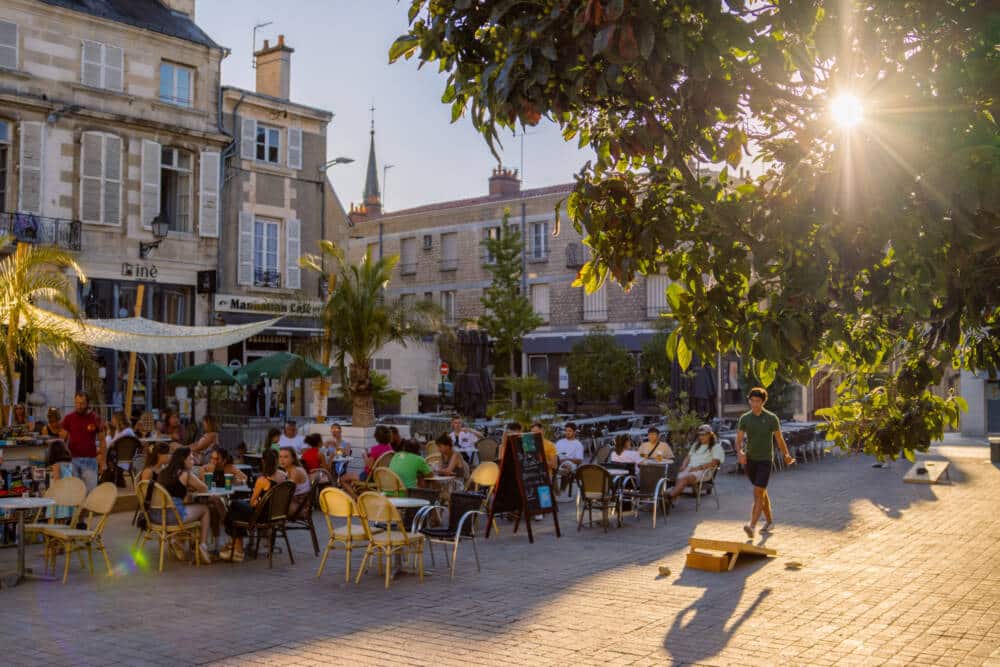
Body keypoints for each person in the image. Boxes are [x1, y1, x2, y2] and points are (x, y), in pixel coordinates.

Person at [735, 387, 795, 538]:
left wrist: (786, 454)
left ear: (763, 402)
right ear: (749, 401)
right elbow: (739, 439)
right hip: (750, 460)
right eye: (752, 401)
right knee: (761, 492)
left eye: (758, 401)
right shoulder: (745, 418)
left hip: (765, 460)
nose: (755, 404)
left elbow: (779, 438)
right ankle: (769, 521)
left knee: (757, 493)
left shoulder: (771, 418)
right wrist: (740, 452)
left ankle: (752, 526)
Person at [221, 448, 286, 562]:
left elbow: (252, 502)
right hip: (277, 514)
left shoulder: (262, 479)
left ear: (263, 461)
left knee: (234, 507)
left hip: (262, 516)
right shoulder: (283, 476)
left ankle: (237, 546)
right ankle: (237, 546)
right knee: (236, 510)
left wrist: (254, 502)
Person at [153, 447, 212, 564]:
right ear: (183, 460)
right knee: (205, 509)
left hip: (156, 517)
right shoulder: (186, 474)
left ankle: (178, 541)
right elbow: (204, 488)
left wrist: (187, 489)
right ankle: (202, 545)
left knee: (187, 503)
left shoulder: (163, 472)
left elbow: (173, 491)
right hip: (173, 517)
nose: (194, 461)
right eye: (190, 458)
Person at [669, 424, 726, 503]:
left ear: (710, 435)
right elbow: (688, 457)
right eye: (700, 435)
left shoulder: (716, 447)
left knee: (684, 478)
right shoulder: (696, 445)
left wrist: (698, 468)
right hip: (690, 469)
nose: (701, 437)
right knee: (676, 476)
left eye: (704, 435)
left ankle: (669, 497)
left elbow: (714, 462)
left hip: (704, 471)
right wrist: (683, 465)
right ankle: (670, 498)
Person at [60, 392, 105, 491]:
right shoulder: (69, 418)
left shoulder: (96, 418)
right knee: (75, 493)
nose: (79, 406)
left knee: (90, 493)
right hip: (73, 461)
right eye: (77, 403)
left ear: (88, 404)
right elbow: (62, 440)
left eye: (82, 403)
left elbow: (102, 441)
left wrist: (102, 461)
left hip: (90, 461)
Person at [45, 439, 75, 521]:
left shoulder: (56, 465)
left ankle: (51, 531)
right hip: (69, 492)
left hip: (59, 493)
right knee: (65, 514)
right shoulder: (70, 464)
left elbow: (57, 480)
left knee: (53, 514)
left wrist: (50, 492)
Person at [279, 447, 311, 517]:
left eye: (286, 457)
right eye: (280, 457)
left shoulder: (295, 472)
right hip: (297, 504)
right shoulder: (290, 470)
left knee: (270, 506)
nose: (282, 460)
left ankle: (267, 526)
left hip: (300, 508)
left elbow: (288, 494)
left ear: (293, 459)